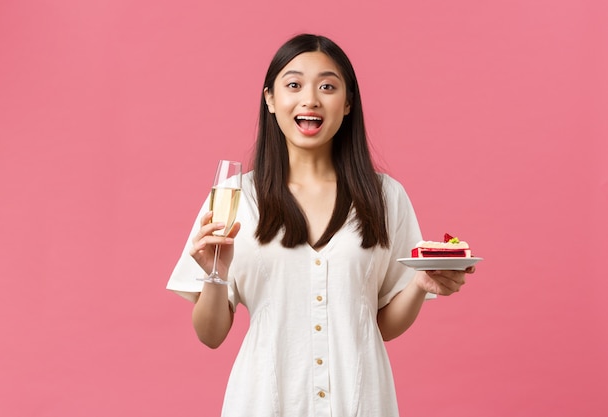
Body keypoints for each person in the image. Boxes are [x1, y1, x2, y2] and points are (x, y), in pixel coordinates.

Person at [167, 33, 475, 417]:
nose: (310, 99)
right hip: (264, 402)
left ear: (347, 104)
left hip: (360, 402)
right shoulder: (234, 197)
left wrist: (419, 285)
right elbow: (211, 335)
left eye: (327, 86)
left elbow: (378, 325)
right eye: (293, 85)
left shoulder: (385, 197)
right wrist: (216, 272)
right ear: (270, 100)